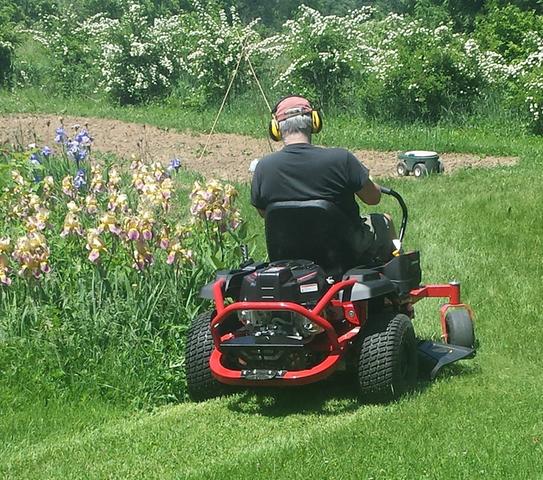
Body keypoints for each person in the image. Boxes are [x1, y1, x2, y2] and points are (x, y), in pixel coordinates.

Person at [251, 95, 397, 266]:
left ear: (276, 128)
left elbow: (265, 213)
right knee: (384, 220)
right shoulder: (341, 159)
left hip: (288, 255)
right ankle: (394, 281)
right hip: (345, 252)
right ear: (314, 121)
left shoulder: (263, 167)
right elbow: (374, 199)